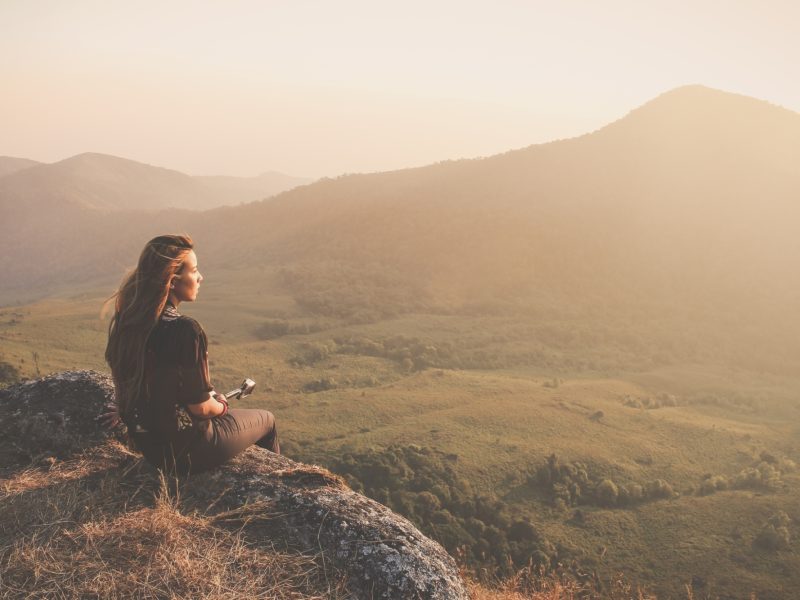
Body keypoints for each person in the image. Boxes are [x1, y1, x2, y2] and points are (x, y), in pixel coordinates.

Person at [102, 234, 279, 474]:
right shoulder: (186, 330)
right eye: (194, 271)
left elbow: (142, 380)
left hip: (152, 450)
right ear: (173, 281)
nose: (200, 277)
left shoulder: (129, 321)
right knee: (267, 420)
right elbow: (201, 409)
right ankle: (276, 487)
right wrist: (221, 405)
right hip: (188, 451)